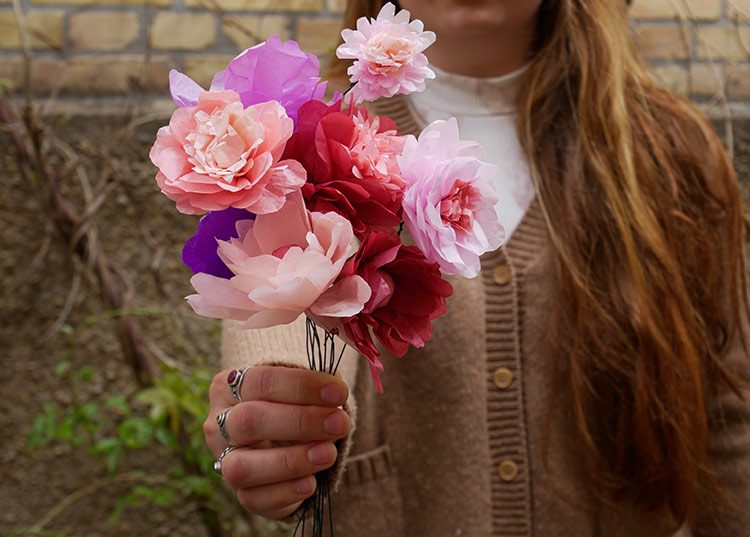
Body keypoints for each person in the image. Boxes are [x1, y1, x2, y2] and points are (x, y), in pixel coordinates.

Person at [203, 1, 750, 535]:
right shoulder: (305, 143)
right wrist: (275, 425)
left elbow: (729, 419)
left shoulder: (668, 154)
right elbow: (280, 331)